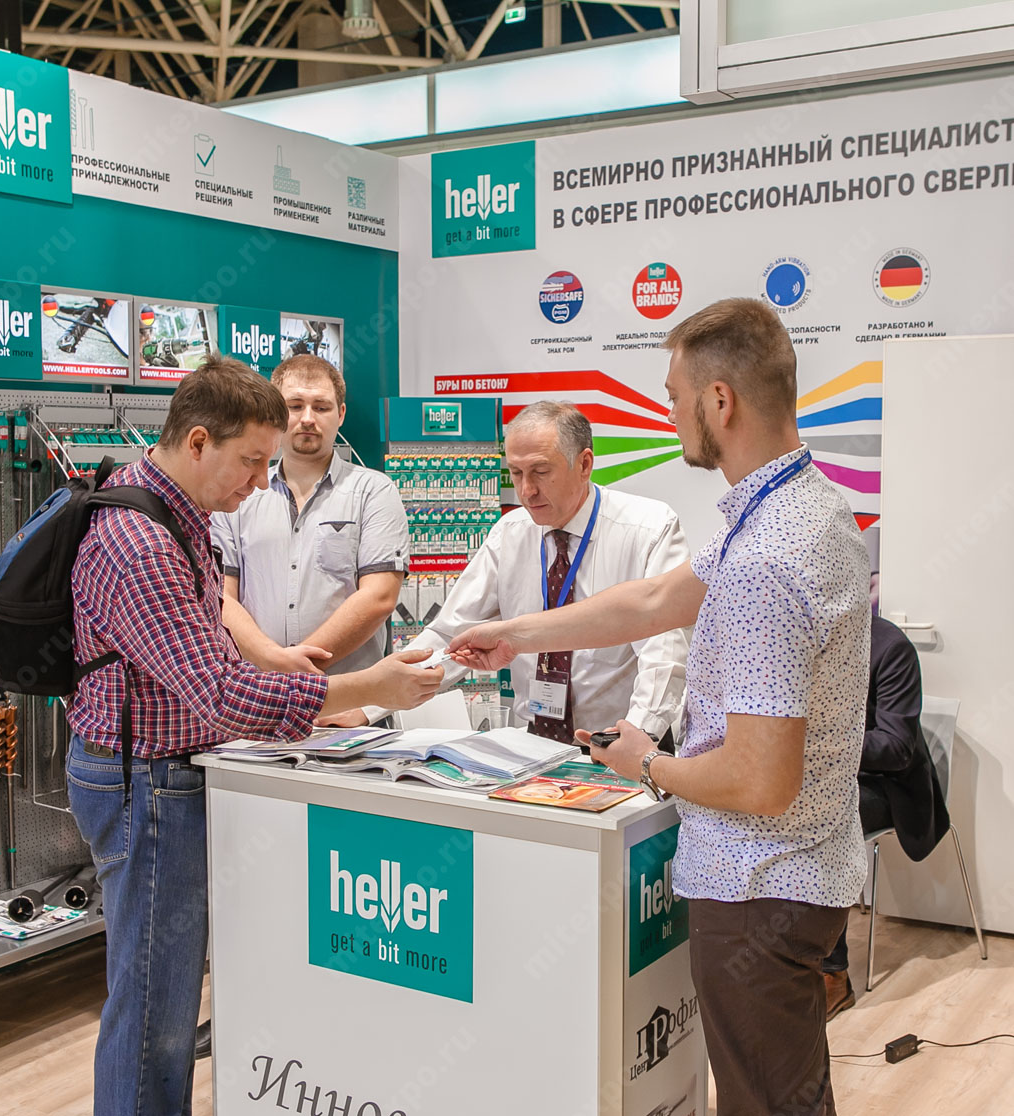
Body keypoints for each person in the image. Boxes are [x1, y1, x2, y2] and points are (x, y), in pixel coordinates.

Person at [449, 298, 870, 1116]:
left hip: (758, 886)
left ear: (720, 401)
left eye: (674, 396)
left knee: (764, 1103)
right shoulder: (801, 506)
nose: (668, 413)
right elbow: (650, 601)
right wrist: (513, 632)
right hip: (798, 875)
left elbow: (761, 781)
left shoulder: (766, 557)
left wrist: (646, 762)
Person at [66, 356, 442, 1116]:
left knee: (167, 997)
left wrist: (284, 666)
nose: (259, 484)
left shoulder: (178, 515)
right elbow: (222, 693)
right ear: (198, 442)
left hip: (168, 773)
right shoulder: (141, 543)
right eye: (250, 462)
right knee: (154, 1007)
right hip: (146, 784)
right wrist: (367, 688)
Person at [338, 401, 689, 745]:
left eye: (541, 472)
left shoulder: (648, 529)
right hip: (536, 746)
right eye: (516, 473)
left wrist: (636, 736)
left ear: (584, 464)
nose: (526, 491)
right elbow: (452, 636)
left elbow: (664, 653)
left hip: (618, 742)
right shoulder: (510, 533)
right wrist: (366, 705)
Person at [211, 353, 408, 677]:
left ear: (340, 414)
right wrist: (273, 661)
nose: (307, 418)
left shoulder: (373, 492)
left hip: (348, 697)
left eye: (321, 407)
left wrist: (295, 668)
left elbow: (380, 597)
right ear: (275, 413)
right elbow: (221, 599)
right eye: (294, 406)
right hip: (260, 694)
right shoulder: (238, 495)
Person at [822, 614, 950, 1019]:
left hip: (888, 785)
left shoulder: (890, 647)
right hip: (827, 775)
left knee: (824, 819)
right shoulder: (803, 639)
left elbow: (896, 748)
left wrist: (821, 741)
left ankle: (832, 974)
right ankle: (787, 956)